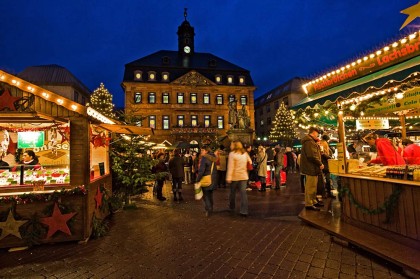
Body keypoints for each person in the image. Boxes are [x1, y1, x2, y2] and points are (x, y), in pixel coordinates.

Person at [300, 127, 324, 211]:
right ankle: (309, 203)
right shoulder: (309, 142)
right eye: (317, 134)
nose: (318, 136)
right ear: (313, 133)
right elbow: (312, 156)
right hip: (311, 167)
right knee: (310, 186)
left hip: (313, 167)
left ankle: (313, 201)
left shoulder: (310, 141)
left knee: (313, 186)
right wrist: (320, 163)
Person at [226, 140, 252, 217]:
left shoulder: (232, 154)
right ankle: (244, 211)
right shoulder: (245, 153)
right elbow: (250, 162)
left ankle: (232, 207)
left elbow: (231, 167)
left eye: (231, 145)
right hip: (244, 176)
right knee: (243, 194)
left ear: (234, 146)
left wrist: (229, 177)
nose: (230, 146)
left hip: (235, 176)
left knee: (232, 193)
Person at [196, 146, 218, 217]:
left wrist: (197, 179)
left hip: (206, 179)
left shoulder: (204, 158)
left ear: (206, 151)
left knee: (205, 196)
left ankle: (208, 210)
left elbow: (201, 171)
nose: (201, 152)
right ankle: (211, 208)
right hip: (212, 179)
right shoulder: (213, 157)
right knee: (210, 194)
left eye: (202, 150)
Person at [319, 134, 335, 199]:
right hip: (324, 164)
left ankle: (326, 193)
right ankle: (326, 193)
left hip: (324, 164)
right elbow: (323, 154)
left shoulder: (321, 143)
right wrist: (330, 157)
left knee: (325, 180)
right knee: (326, 180)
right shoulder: (324, 144)